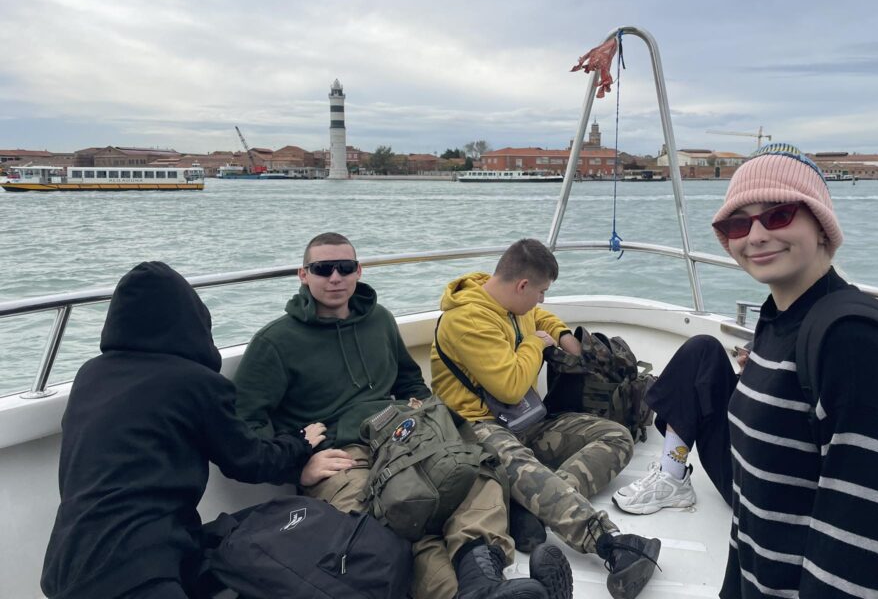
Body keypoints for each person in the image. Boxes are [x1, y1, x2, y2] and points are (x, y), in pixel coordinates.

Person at [233, 232, 569, 599]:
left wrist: (428, 419)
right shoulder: (275, 343)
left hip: (398, 436)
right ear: (303, 275)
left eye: (345, 268)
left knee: (477, 471)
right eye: (322, 269)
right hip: (343, 455)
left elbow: (411, 381)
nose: (335, 277)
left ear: (358, 271)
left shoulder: (379, 320)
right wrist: (296, 467)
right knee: (389, 528)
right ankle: (470, 592)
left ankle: (482, 578)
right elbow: (246, 429)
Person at [709, 143, 878, 598]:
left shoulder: (854, 342)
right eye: (738, 222)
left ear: (821, 224)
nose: (754, 235)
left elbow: (860, 545)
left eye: (778, 215)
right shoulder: (777, 319)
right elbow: (753, 504)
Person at [41, 262, 327, 599]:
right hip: (140, 571)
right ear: (193, 321)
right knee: (301, 524)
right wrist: (298, 443)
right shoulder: (194, 382)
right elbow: (248, 460)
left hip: (66, 566)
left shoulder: (89, 375)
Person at [432, 238, 662, 599]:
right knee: (525, 468)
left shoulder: (512, 302)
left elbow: (538, 317)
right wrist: (534, 345)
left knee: (616, 436)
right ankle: (611, 544)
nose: (542, 299)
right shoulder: (467, 319)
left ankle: (533, 509)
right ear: (522, 285)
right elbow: (509, 386)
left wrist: (561, 334)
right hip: (475, 427)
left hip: (525, 420)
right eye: (541, 291)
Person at [612, 334, 745, 514]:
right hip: (745, 438)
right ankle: (672, 473)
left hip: (763, 487)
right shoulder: (785, 323)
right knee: (703, 348)